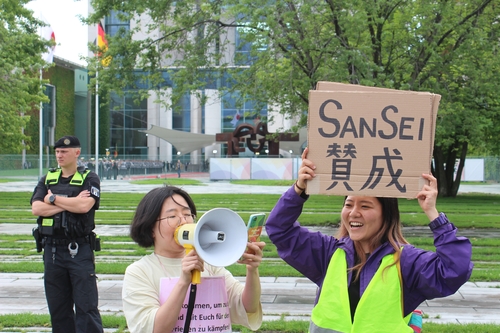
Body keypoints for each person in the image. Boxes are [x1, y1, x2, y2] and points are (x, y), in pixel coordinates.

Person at [265, 147, 473, 333]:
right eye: (348, 204)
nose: (354, 213)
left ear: (386, 214)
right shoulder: (328, 253)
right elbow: (279, 229)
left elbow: (455, 270)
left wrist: (433, 214)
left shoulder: (406, 262)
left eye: (365, 206)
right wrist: (299, 189)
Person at [122, 186, 265, 333]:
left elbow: (247, 306)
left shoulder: (210, 265)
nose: (183, 221)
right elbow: (154, 329)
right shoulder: (139, 272)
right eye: (172, 216)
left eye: (187, 214)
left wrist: (252, 270)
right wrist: (183, 282)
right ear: (151, 227)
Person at [30, 135, 103, 333]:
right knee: (58, 309)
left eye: (64, 152)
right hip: (52, 252)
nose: (59, 155)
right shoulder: (47, 178)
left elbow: (83, 206)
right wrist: (69, 203)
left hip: (78, 250)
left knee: (86, 307)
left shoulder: (89, 178)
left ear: (77, 153)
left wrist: (52, 199)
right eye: (57, 152)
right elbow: (37, 208)